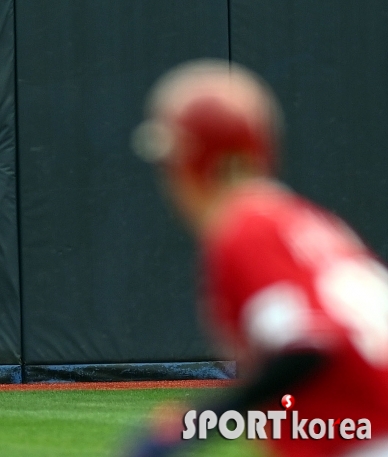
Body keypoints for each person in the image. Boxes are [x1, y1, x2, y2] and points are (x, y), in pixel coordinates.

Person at [127, 60, 388, 456]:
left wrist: (200, 421)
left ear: (194, 162)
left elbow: (309, 345)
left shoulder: (244, 225)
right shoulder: (305, 220)